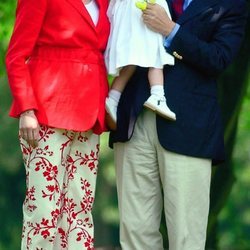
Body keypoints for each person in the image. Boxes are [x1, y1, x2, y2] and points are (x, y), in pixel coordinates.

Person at [109, 0, 247, 249]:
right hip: (134, 118)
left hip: (190, 127)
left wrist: (171, 30)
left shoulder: (232, 4)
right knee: (134, 233)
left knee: (186, 237)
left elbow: (219, 58)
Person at [5, 0, 110, 249]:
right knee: (44, 211)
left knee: (79, 210)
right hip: (46, 111)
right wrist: (26, 108)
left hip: (90, 112)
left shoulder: (106, 3)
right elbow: (16, 56)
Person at [105, 0, 176, 126]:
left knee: (132, 59)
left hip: (128, 9)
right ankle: (158, 95)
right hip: (145, 8)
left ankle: (113, 98)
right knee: (155, 53)